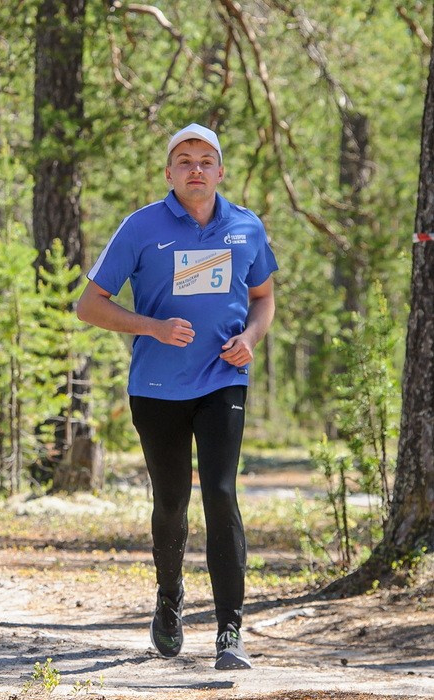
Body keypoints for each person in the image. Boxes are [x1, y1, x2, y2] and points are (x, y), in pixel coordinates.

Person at [75, 123, 277, 670]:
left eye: (206, 159)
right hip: (158, 388)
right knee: (171, 502)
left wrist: (249, 339)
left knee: (220, 492)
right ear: (169, 173)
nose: (195, 168)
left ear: (220, 170)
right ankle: (169, 599)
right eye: (184, 160)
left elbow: (263, 298)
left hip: (222, 381)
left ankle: (230, 630)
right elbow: (89, 305)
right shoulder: (141, 227)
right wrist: (152, 327)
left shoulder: (246, 228)